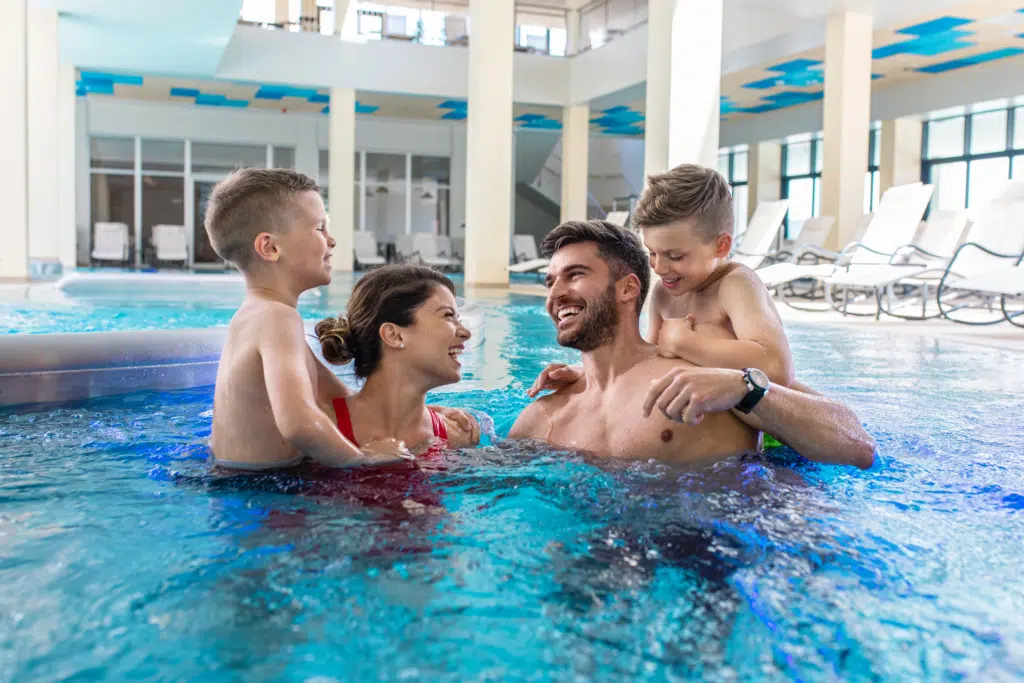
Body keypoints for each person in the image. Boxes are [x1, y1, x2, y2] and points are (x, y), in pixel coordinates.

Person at [510, 219, 875, 470]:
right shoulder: (542, 416)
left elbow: (858, 446)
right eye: (550, 282)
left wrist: (745, 388)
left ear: (628, 288)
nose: (556, 294)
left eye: (575, 275)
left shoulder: (702, 381)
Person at [205, 168, 476, 471]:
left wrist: (420, 413)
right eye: (319, 228)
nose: (331, 241)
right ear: (270, 247)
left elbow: (347, 399)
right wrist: (362, 460)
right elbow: (298, 422)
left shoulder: (259, 316)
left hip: (238, 479)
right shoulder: (277, 318)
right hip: (256, 491)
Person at [633, 163, 794, 386]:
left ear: (721, 246)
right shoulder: (665, 292)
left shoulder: (736, 285)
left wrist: (684, 342)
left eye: (676, 256)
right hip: (697, 405)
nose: (659, 268)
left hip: (756, 411)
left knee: (708, 332)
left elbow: (778, 368)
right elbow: (650, 361)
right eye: (652, 252)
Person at [315, 264, 480, 455]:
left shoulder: (457, 436)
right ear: (394, 335)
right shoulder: (318, 431)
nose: (466, 333)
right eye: (448, 315)